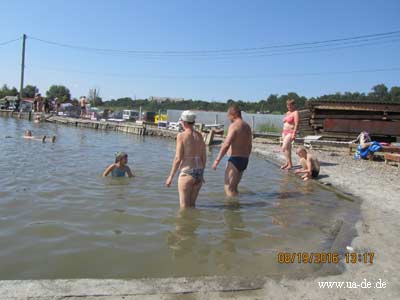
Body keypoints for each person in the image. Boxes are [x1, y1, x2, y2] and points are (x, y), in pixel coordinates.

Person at [166, 110, 206, 208]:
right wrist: (202, 174)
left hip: (187, 173)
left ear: (183, 122)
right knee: (192, 205)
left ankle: (185, 223)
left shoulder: (181, 136)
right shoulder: (200, 135)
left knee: (184, 208)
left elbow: (178, 158)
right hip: (199, 173)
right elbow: (203, 157)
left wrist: (170, 177)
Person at [212, 104, 252, 197]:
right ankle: (237, 208)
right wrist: (246, 158)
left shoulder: (234, 125)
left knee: (228, 188)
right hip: (244, 159)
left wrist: (217, 160)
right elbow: (250, 145)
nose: (228, 118)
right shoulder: (247, 126)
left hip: (235, 160)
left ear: (233, 114)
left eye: (228, 116)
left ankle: (231, 209)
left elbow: (226, 144)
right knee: (234, 188)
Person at [281, 99, 299, 170]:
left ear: (293, 105)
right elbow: (285, 122)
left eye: (290, 105)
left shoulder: (295, 112)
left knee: (284, 147)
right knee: (287, 149)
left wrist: (294, 133)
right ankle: (288, 163)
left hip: (290, 132)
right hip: (284, 132)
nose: (288, 106)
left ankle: (289, 163)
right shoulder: (287, 113)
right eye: (287, 105)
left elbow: (297, 123)